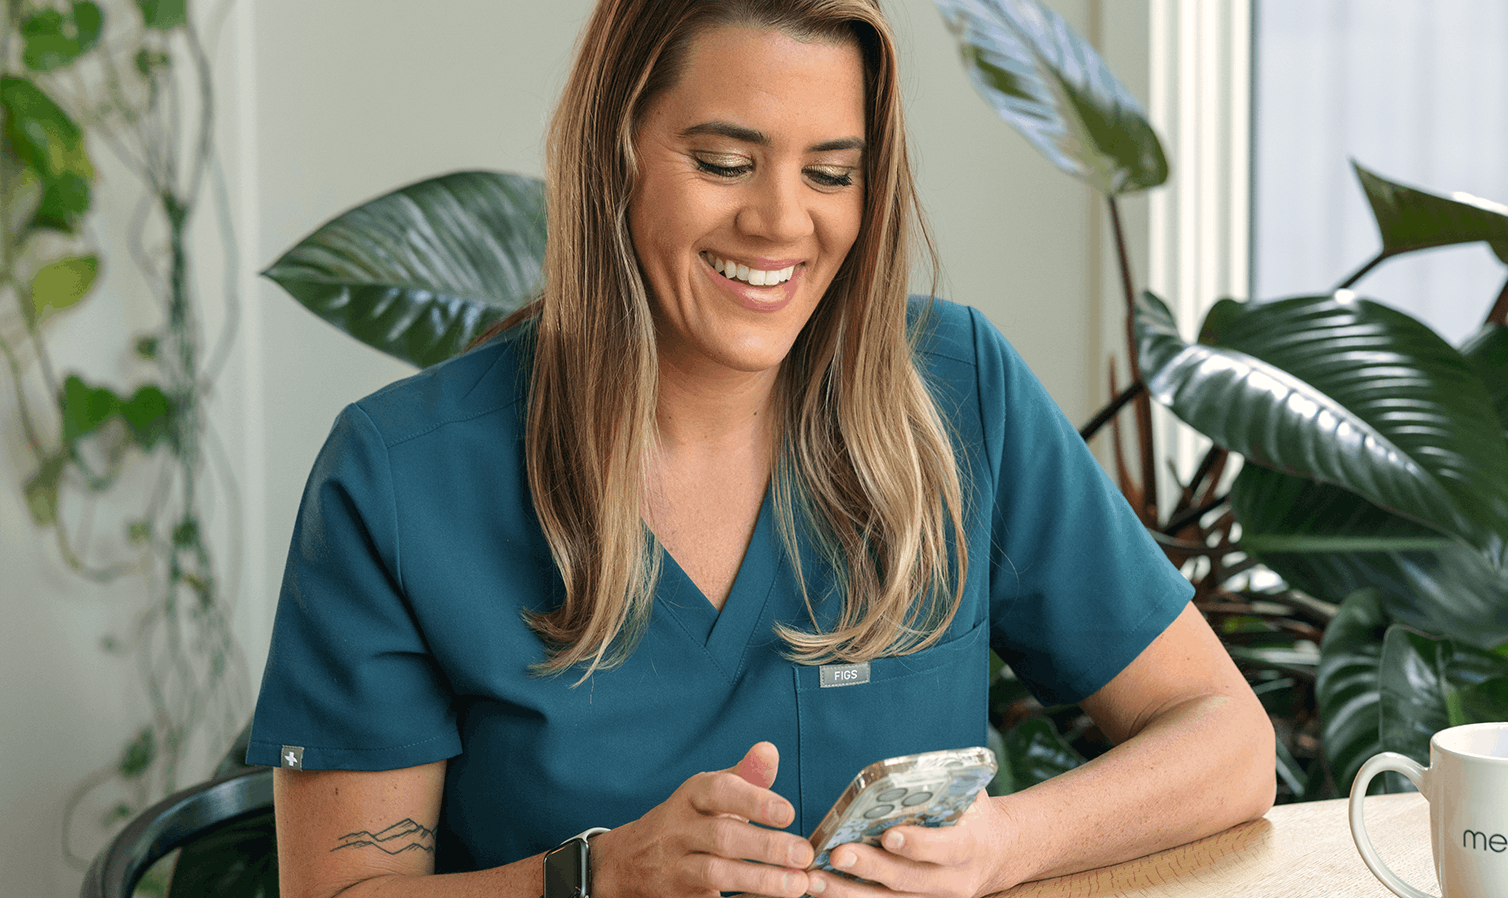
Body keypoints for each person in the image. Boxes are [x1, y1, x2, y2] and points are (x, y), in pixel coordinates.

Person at [247, 1, 1274, 897]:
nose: (782, 220)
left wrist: (1003, 842)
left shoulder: (959, 392)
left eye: (831, 172)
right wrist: (595, 878)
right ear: (615, 152)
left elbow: (1225, 741)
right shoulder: (400, 476)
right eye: (725, 162)